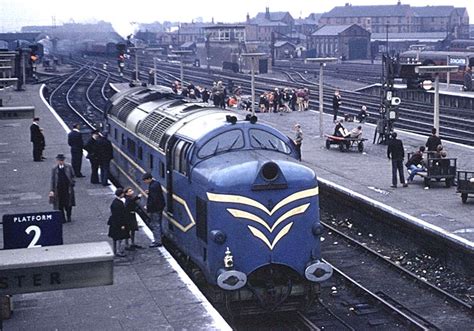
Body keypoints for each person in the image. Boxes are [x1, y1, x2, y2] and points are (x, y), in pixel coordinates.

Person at [49, 154, 76, 223]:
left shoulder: (68, 167)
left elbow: (73, 176)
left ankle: (68, 216)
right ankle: (62, 218)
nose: (60, 162)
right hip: (58, 189)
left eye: (62, 160)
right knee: (60, 204)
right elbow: (53, 180)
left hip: (67, 188)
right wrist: (52, 190)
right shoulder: (54, 169)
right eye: (59, 160)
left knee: (68, 204)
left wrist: (72, 183)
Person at [142, 172, 165, 247]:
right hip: (160, 207)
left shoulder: (152, 187)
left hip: (155, 208)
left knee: (155, 224)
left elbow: (154, 199)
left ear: (149, 179)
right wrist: (150, 193)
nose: (144, 182)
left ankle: (157, 241)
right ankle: (159, 238)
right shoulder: (156, 183)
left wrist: (147, 206)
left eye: (145, 180)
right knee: (158, 223)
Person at [108, 188, 129, 257]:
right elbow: (119, 215)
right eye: (123, 193)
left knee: (116, 238)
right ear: (120, 194)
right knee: (119, 237)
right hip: (118, 224)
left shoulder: (115, 202)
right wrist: (122, 225)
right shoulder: (118, 204)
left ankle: (116, 250)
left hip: (114, 223)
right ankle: (117, 251)